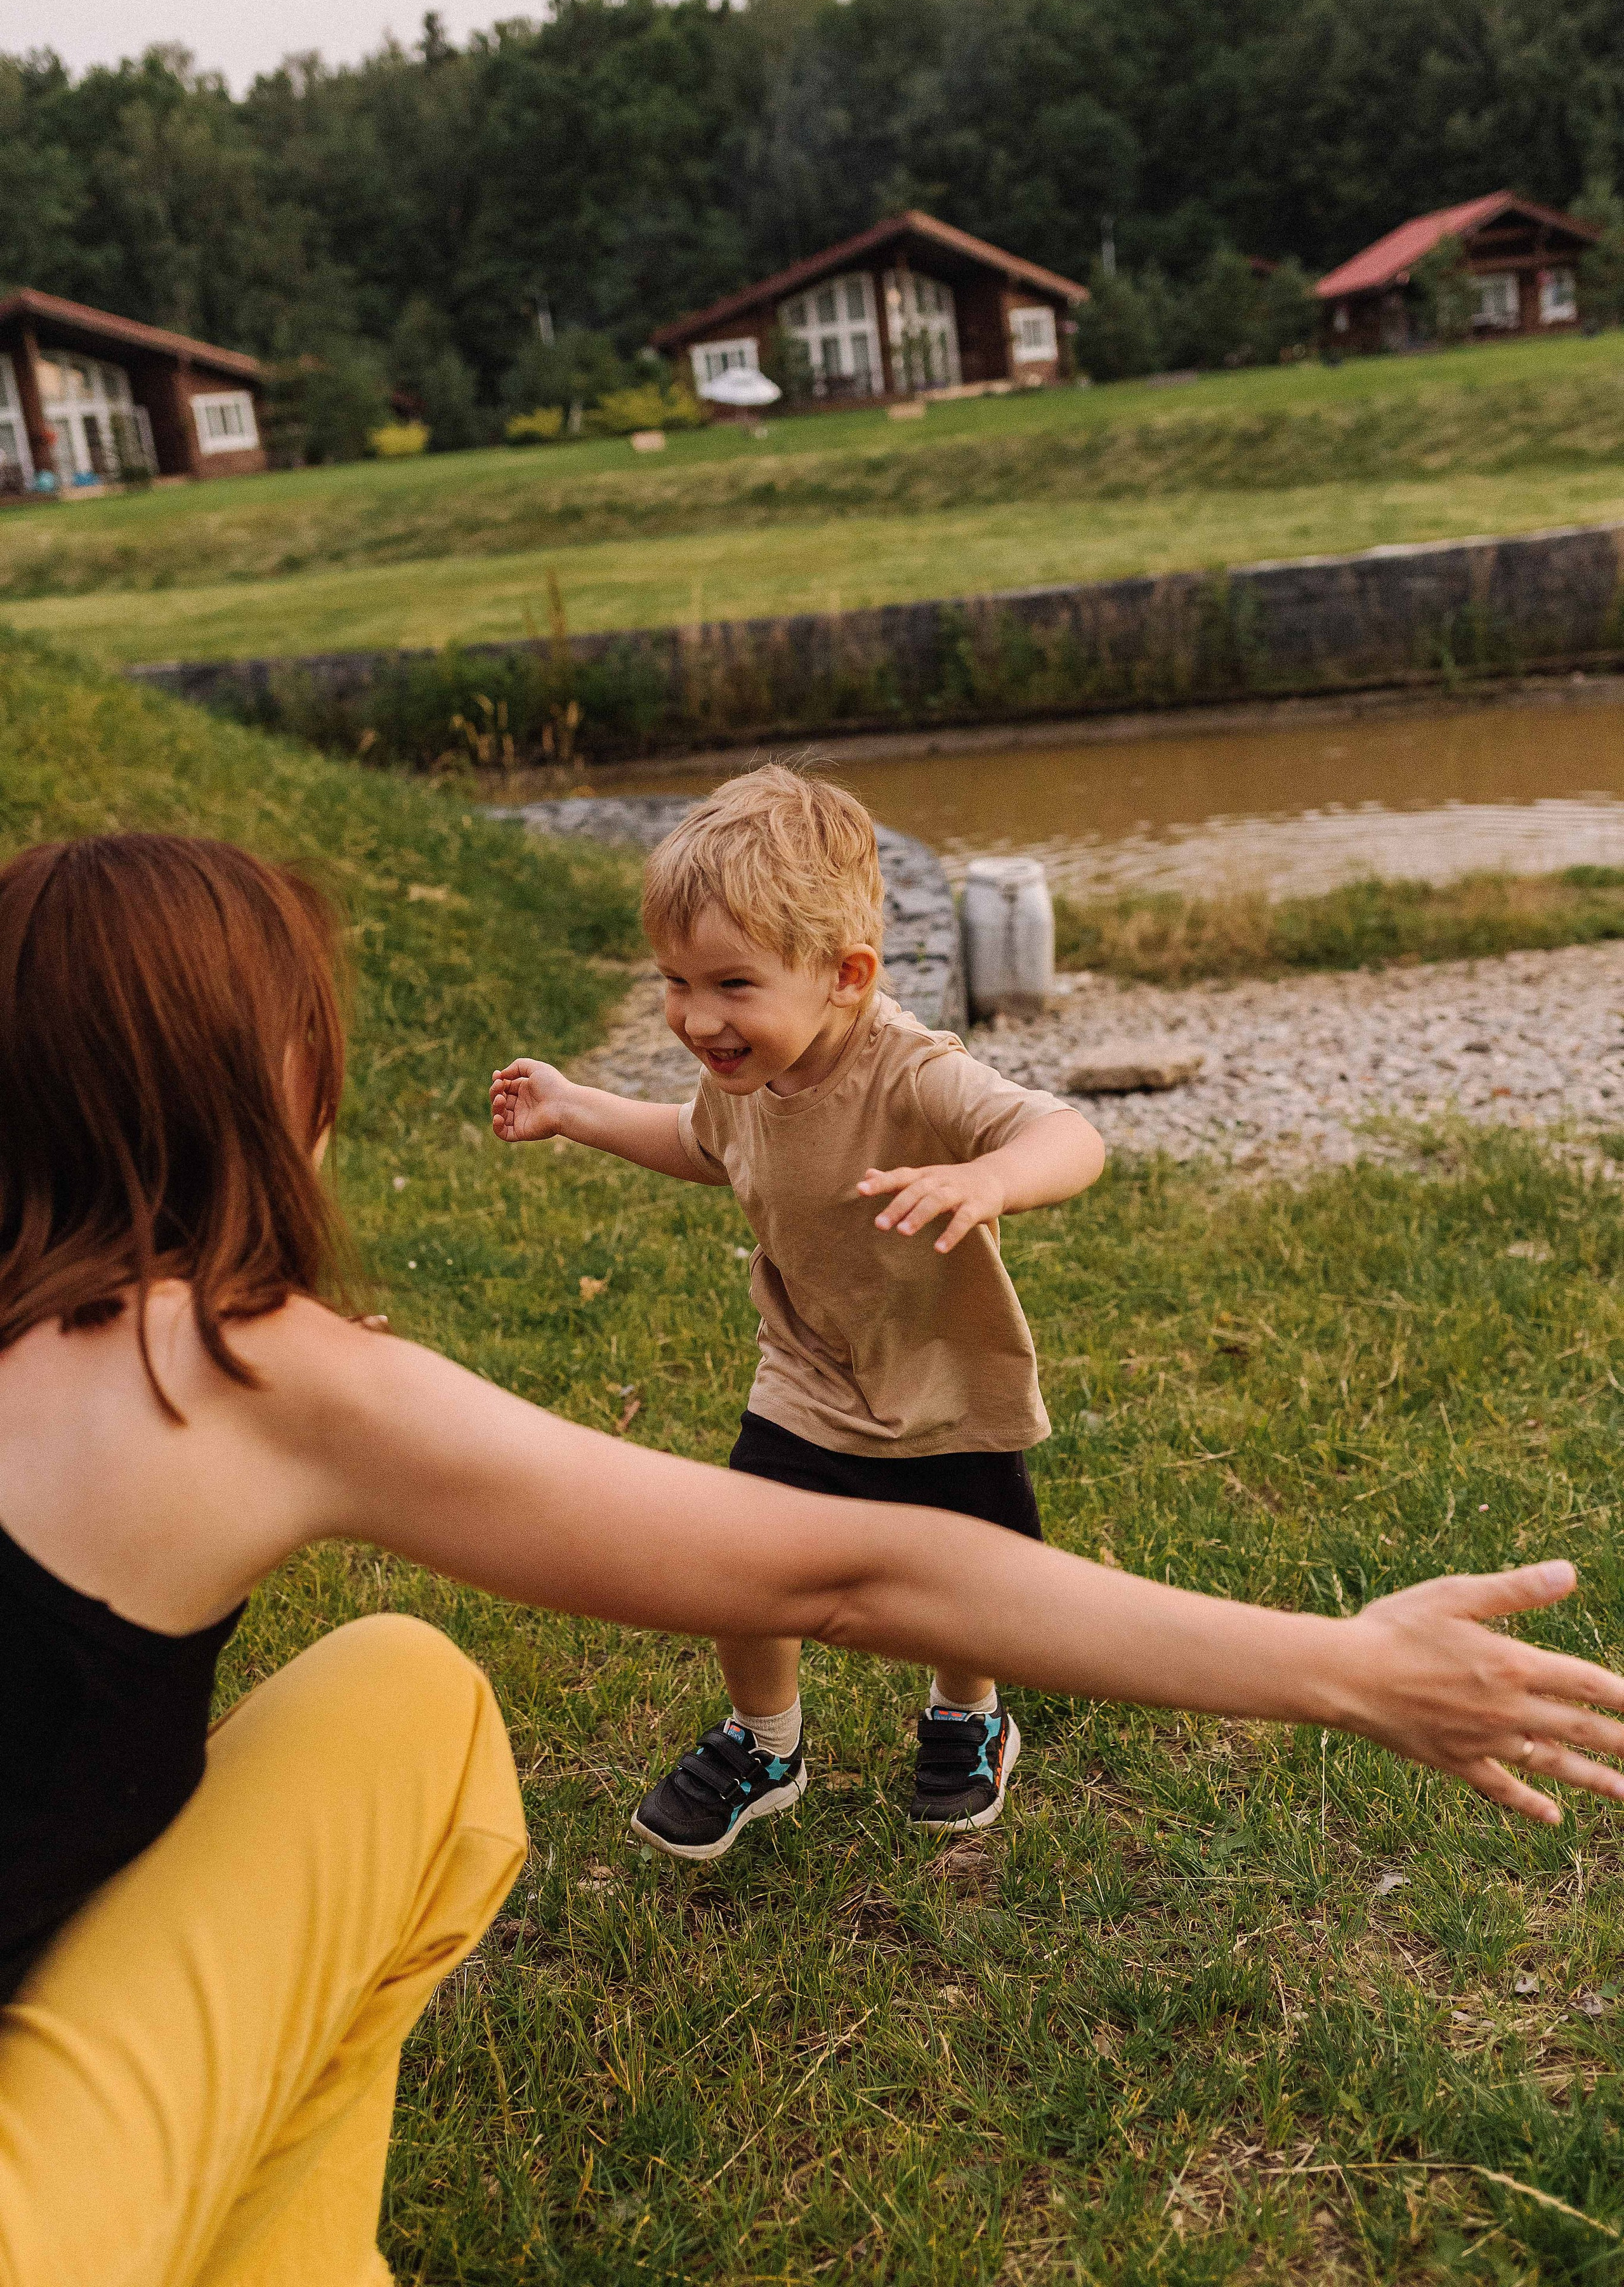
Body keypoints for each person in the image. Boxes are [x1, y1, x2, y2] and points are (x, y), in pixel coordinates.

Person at [4, 834, 1624, 2287]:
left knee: (389, 1688)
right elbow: (848, 1577)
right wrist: (1344, 1667)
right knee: (410, 1712)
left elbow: (1030, 1146)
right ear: (267, 1085)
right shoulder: (236, 1370)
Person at [492, 766, 1107, 1852]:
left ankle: (969, 1712)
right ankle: (766, 1741)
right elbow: (702, 1145)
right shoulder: (748, 1078)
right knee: (738, 1564)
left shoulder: (913, 1073)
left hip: (942, 1378)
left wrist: (990, 1179)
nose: (697, 1018)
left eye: (732, 984)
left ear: (846, 976)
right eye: (675, 982)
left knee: (969, 1581)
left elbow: (1069, 1134)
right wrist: (576, 1108)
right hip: (809, 1371)